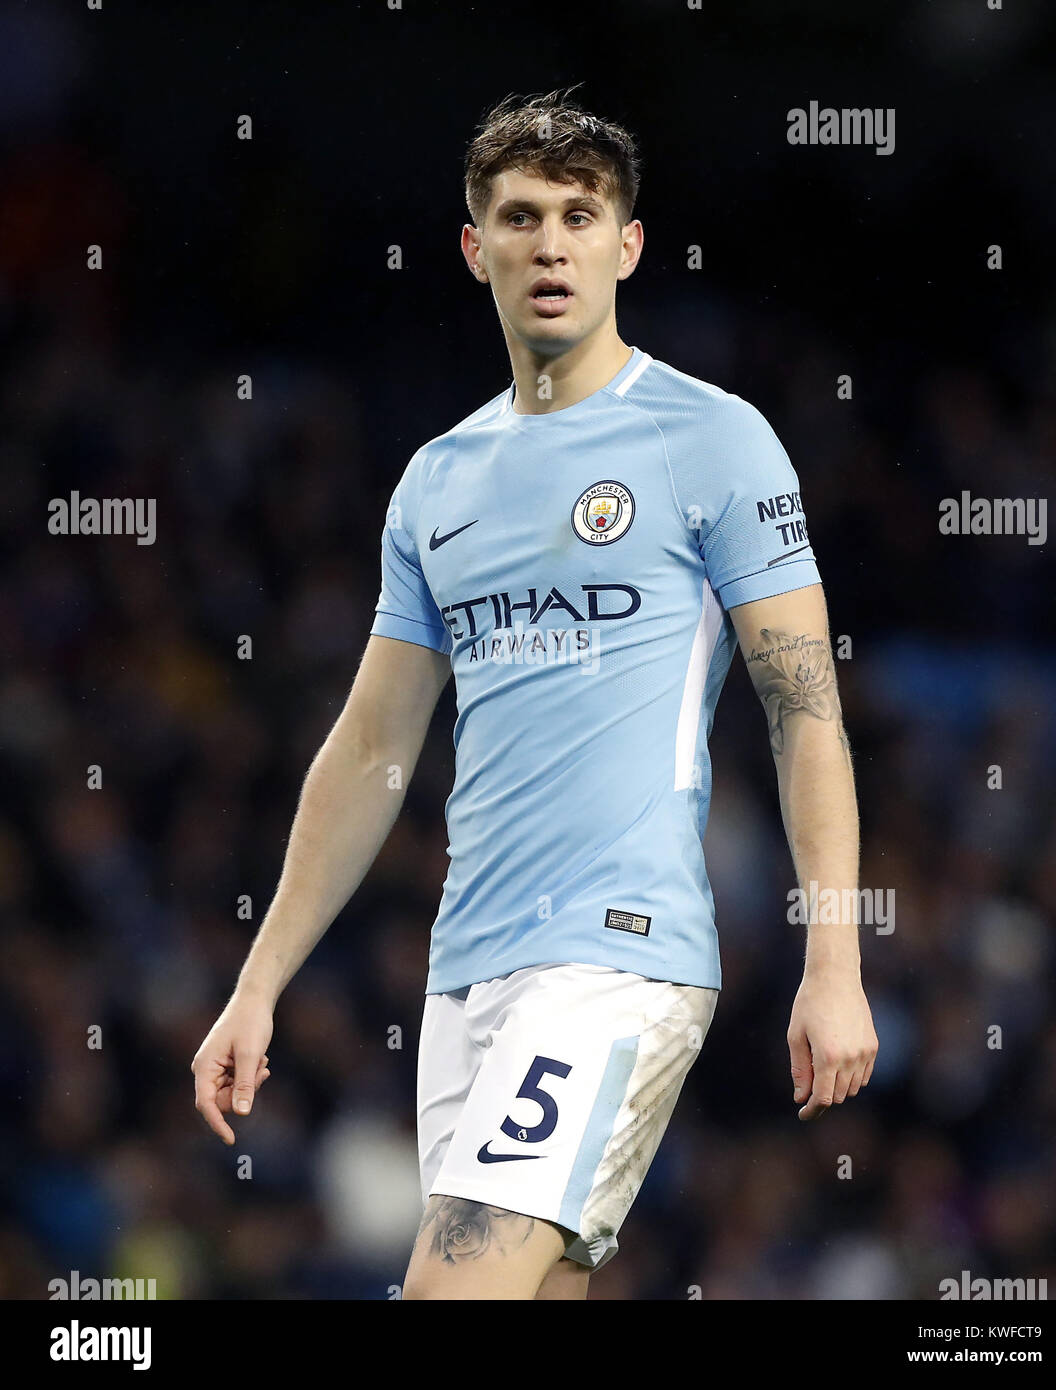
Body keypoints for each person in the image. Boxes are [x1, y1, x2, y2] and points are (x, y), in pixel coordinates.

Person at [192, 86, 878, 1301]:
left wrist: (836, 958)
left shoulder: (711, 441)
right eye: (519, 216)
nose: (549, 243)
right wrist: (259, 981)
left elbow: (804, 709)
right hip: (468, 975)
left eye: (579, 213)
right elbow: (371, 748)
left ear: (628, 245)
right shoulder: (436, 482)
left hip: (617, 955)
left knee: (448, 1290)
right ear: (475, 248)